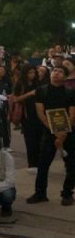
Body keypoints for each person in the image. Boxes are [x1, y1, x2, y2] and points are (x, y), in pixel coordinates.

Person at [27, 65, 75, 206]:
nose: (56, 74)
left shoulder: (70, 92)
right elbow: (40, 113)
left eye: (60, 72)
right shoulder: (41, 91)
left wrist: (63, 134)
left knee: (72, 165)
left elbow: (72, 115)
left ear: (65, 77)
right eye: (54, 71)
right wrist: (54, 130)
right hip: (48, 132)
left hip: (68, 133)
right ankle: (40, 193)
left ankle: (67, 194)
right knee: (43, 164)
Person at [12, 64, 43, 173]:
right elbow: (15, 99)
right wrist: (29, 94)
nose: (32, 75)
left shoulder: (38, 83)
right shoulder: (20, 84)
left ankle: (40, 163)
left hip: (39, 115)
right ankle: (32, 164)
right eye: (30, 73)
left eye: (34, 72)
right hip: (26, 116)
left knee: (39, 140)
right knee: (30, 141)